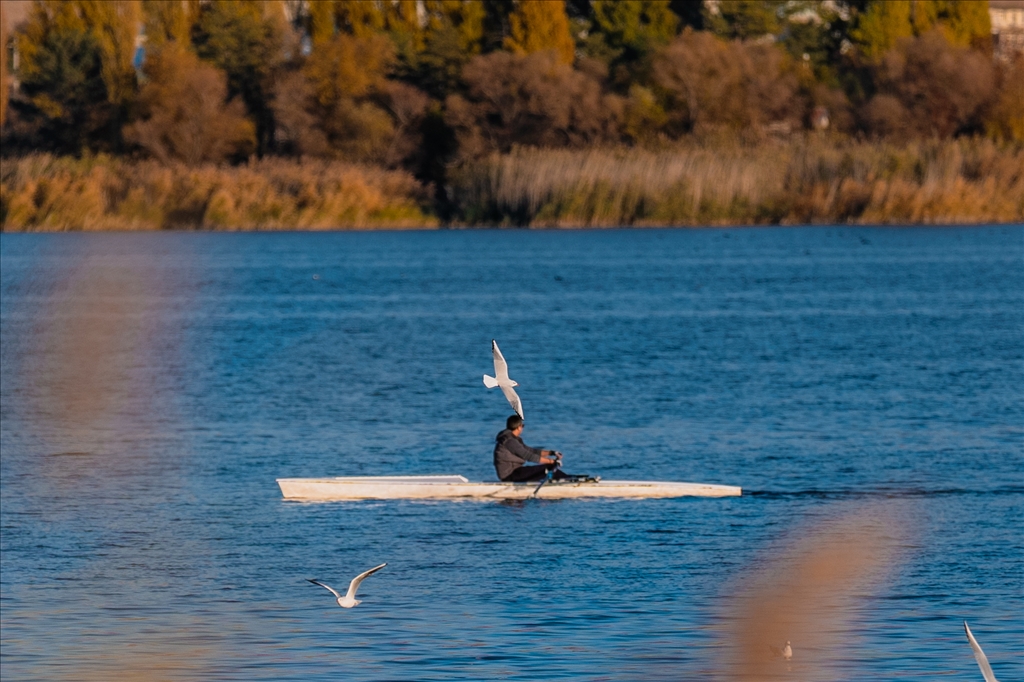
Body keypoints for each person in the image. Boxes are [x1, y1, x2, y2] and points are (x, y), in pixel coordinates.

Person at [493, 414, 570, 482]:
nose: (522, 428)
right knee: (549, 467)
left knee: (549, 468)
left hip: (516, 472)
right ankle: (569, 482)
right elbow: (529, 456)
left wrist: (552, 453)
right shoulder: (510, 442)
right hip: (510, 476)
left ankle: (565, 480)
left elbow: (531, 451)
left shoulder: (513, 440)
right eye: (522, 426)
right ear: (519, 427)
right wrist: (551, 462)